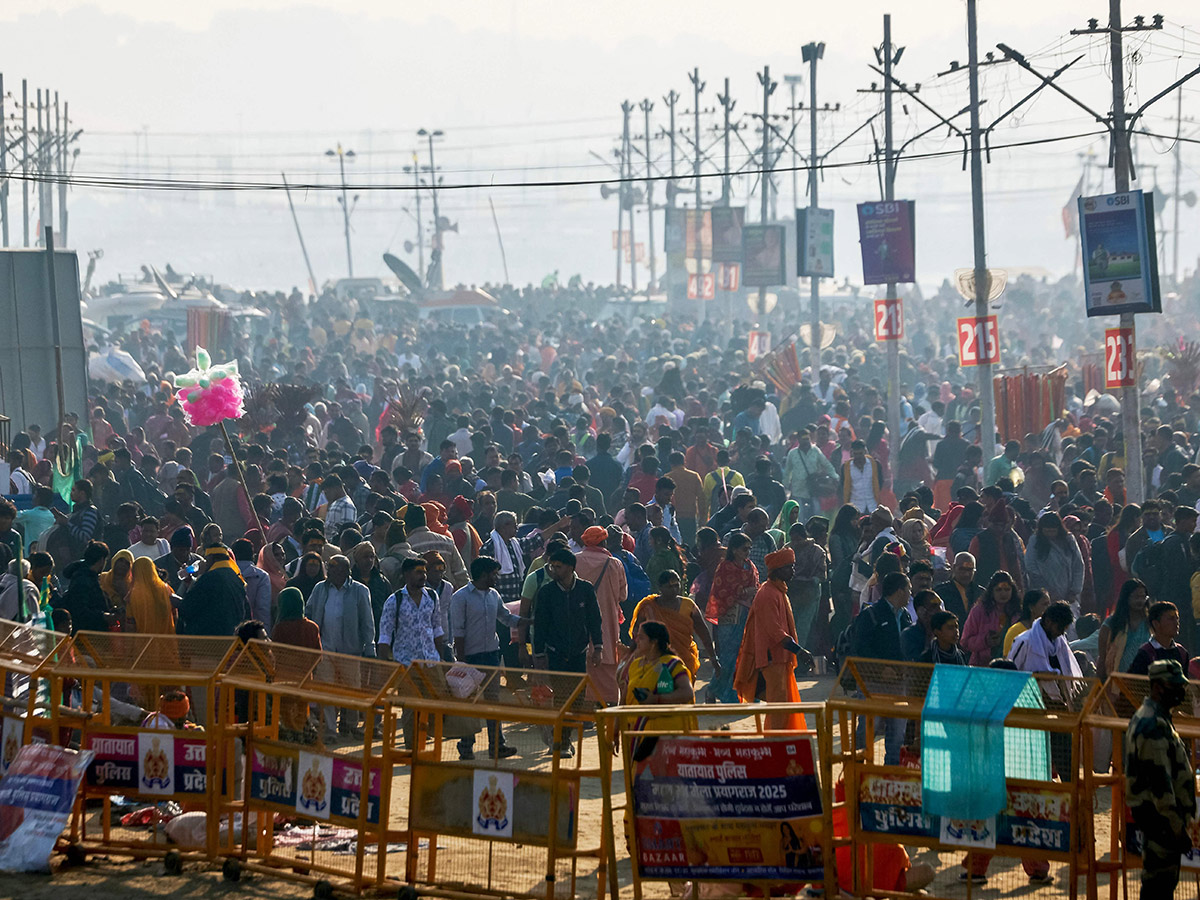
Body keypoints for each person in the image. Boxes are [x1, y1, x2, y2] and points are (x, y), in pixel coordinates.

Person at [1125, 659, 1196, 900]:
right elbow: (1160, 784)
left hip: (1161, 821)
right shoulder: (1152, 724)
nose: (1180, 690)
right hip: (1161, 822)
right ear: (1157, 687)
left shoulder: (1155, 717)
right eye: (1174, 685)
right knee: (1159, 887)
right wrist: (1176, 827)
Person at [449, 556, 527, 760]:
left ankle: (497, 745)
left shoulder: (494, 595)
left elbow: (505, 617)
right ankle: (466, 745)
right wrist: (463, 662)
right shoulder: (460, 597)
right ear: (483, 575)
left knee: (493, 702)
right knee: (470, 702)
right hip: (471, 657)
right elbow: (458, 631)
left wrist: (527, 621)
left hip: (491, 654)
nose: (497, 578)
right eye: (494, 574)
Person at [733, 547, 810, 731]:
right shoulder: (767, 594)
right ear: (777, 570)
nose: (792, 571)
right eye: (789, 567)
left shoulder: (779, 591)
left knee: (784, 705)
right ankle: (775, 744)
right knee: (778, 707)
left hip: (781, 659)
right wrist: (799, 651)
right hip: (772, 658)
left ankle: (784, 745)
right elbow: (775, 632)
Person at [849, 571, 913, 763]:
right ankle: (859, 769)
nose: (911, 593)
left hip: (899, 684)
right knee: (868, 729)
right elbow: (859, 648)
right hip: (873, 684)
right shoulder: (871, 614)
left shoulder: (905, 616)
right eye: (908, 589)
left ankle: (890, 774)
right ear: (900, 590)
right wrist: (880, 668)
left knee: (896, 734)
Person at [630, 569, 717, 682]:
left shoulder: (688, 605)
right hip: (653, 663)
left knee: (682, 694)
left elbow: (703, 633)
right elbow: (636, 633)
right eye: (669, 587)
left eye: (677, 585)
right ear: (660, 587)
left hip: (684, 661)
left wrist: (713, 658)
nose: (674, 590)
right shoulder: (649, 607)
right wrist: (631, 655)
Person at [574, 525, 627, 706]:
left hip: (581, 621)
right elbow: (623, 596)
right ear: (604, 541)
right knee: (607, 664)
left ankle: (587, 709)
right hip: (608, 622)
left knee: (585, 663)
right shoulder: (614, 563)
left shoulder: (575, 561)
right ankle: (610, 707)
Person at [705, 532, 758, 703]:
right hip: (729, 616)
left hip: (746, 615)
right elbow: (721, 591)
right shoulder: (725, 568)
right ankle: (715, 690)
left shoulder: (750, 566)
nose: (747, 552)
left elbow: (755, 587)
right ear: (734, 550)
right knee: (728, 657)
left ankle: (732, 693)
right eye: (744, 549)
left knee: (743, 656)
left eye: (749, 549)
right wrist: (742, 592)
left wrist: (748, 592)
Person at [621, 621, 695, 734]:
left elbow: (687, 693)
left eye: (641, 638)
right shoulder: (635, 665)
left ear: (653, 642)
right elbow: (623, 700)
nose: (636, 641)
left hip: (667, 734)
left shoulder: (672, 664)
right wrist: (616, 728)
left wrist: (656, 699)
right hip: (636, 732)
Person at [1023, 512, 1084, 611]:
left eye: (1053, 531)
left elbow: (1078, 566)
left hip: (1069, 593)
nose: (1050, 535)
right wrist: (1045, 590)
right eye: (1047, 532)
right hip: (1043, 592)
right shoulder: (1035, 540)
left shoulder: (1069, 540)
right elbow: (1030, 565)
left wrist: (1074, 590)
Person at [960, 570, 1018, 666]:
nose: (1003, 594)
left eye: (1007, 590)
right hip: (982, 667)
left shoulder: (1018, 612)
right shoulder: (979, 611)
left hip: (1012, 668)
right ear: (992, 591)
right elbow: (965, 642)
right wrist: (985, 641)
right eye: (998, 590)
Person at [1097, 579, 1151, 681]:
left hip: (1144, 681)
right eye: (1136, 597)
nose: (1140, 601)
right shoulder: (1111, 623)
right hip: (1116, 681)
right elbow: (1102, 657)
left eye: (1143, 597)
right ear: (1126, 598)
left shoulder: (1150, 623)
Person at [1127, 601, 1189, 676]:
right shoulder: (1146, 653)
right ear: (1156, 624)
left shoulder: (1182, 653)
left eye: (1177, 618)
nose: (1176, 623)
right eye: (1171, 618)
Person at [126, 556, 176, 635]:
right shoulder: (166, 589)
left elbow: (131, 625)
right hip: (167, 642)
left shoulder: (132, 595)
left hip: (143, 644)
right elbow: (175, 615)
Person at [1003, 589, 1051, 658]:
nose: (1048, 608)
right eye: (1045, 604)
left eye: (1049, 604)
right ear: (1031, 607)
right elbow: (1008, 660)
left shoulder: (1049, 630)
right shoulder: (1015, 631)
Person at [935, 551, 981, 623]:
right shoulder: (941, 592)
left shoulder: (981, 593)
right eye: (962, 569)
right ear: (953, 568)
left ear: (974, 571)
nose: (966, 574)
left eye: (970, 570)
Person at [901, 589, 945, 662]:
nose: (940, 610)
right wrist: (929, 633)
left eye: (940, 605)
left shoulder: (944, 632)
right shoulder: (908, 635)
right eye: (934, 606)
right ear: (921, 611)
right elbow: (917, 663)